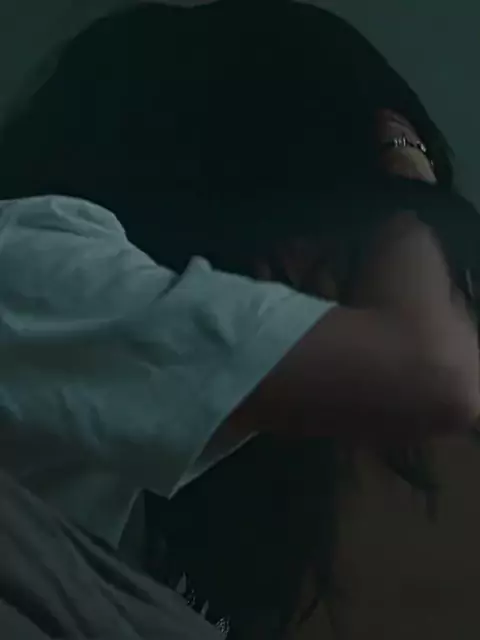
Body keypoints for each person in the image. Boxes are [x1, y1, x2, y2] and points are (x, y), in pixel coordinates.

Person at [0, 1, 479, 637]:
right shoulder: (34, 258)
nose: (335, 296)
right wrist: (404, 173)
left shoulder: (160, 453)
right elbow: (434, 372)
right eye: (350, 243)